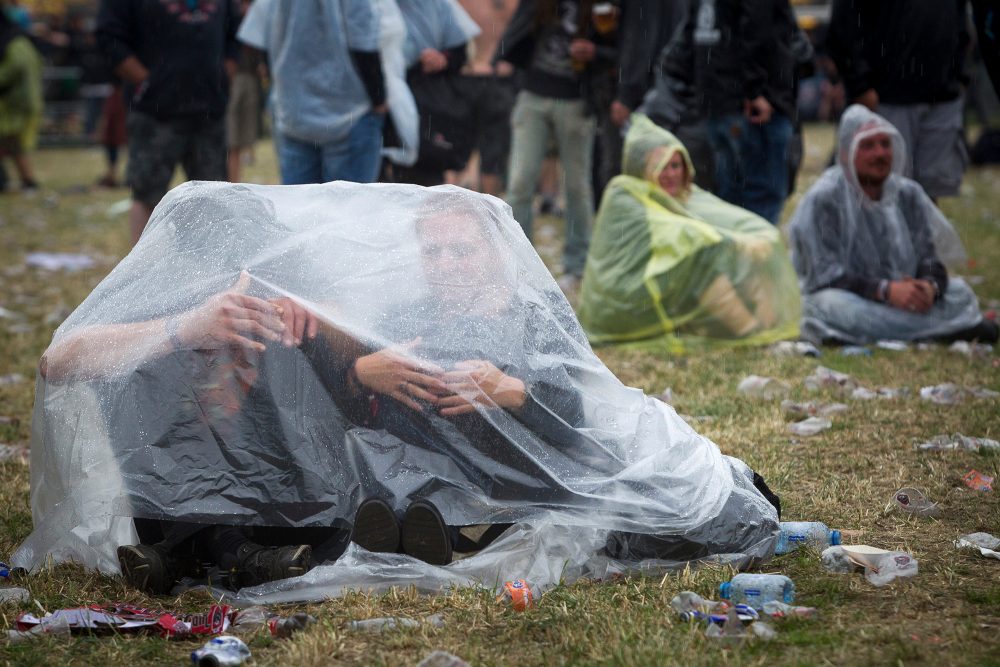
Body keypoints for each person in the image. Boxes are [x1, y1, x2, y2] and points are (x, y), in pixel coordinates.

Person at [15, 181, 780, 593]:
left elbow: (577, 420)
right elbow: (345, 393)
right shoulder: (390, 315)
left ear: (493, 255)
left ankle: (414, 529)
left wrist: (509, 392)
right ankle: (208, 545)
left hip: (504, 461)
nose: (449, 265)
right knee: (384, 465)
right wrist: (361, 373)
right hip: (380, 466)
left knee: (617, 503)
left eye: (462, 251)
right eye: (435, 252)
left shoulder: (528, 324)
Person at [578, 114, 800, 347]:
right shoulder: (624, 195)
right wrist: (734, 243)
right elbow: (677, 235)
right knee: (706, 263)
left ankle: (770, 328)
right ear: (641, 169)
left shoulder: (684, 196)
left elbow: (728, 219)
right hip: (628, 300)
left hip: (662, 286)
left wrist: (750, 241)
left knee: (747, 257)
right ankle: (752, 334)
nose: (671, 174)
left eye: (675, 165)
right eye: (660, 167)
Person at [788, 105, 998, 346]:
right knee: (829, 307)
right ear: (846, 154)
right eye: (868, 146)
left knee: (960, 293)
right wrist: (886, 291)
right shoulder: (824, 199)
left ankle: (910, 330)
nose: (880, 153)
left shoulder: (907, 194)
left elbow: (928, 257)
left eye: (885, 144)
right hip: (854, 299)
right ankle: (947, 329)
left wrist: (929, 287)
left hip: (903, 298)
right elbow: (822, 275)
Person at [96, 0, 239, 244]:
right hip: (154, 112)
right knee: (147, 195)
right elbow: (109, 37)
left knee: (213, 197)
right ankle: (142, 275)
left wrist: (223, 77)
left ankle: (213, 272)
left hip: (209, 110)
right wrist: (147, 82)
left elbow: (234, 34)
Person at [497, 0, 616, 287]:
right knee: (519, 183)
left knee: (576, 185)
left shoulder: (603, 7)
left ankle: (578, 265)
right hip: (533, 95)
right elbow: (516, 34)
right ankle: (518, 264)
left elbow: (622, 49)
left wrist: (595, 52)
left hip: (576, 100)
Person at [660, 0, 801, 224]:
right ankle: (753, 258)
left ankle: (735, 256)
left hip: (717, 103)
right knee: (760, 199)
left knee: (731, 201)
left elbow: (687, 42)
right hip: (747, 106)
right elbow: (756, 30)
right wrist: (756, 90)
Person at [827, 0, 970, 201]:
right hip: (888, 96)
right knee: (881, 190)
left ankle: (921, 232)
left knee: (929, 193)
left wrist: (959, 75)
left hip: (942, 94)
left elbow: (960, 19)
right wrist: (860, 85)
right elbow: (843, 25)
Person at [237, 0, 388, 186]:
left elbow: (258, 34)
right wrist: (379, 99)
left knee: (300, 210)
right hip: (348, 114)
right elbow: (363, 41)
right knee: (350, 210)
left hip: (294, 112)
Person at [387, 0, 476, 186]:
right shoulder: (372, 5)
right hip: (375, 101)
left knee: (422, 183)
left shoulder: (438, 6)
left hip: (424, 102)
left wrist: (443, 59)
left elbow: (460, 53)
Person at [0, 10, 41, 191]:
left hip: (18, 104)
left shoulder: (16, 45)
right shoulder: (25, 44)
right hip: (26, 102)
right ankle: (26, 180)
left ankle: (27, 180)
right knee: (14, 142)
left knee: (14, 142)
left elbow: (13, 69)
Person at [226, 0, 264, 183]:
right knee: (231, 137)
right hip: (232, 76)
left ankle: (236, 180)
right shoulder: (229, 8)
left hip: (250, 73)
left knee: (244, 134)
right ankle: (231, 182)